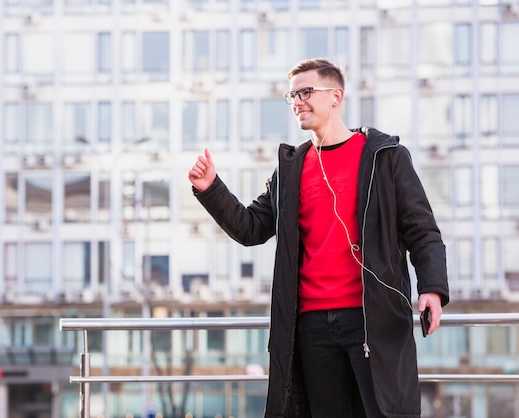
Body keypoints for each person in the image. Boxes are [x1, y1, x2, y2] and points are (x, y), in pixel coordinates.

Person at [187, 57, 450, 418]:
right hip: (311, 326)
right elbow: (251, 227)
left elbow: (422, 230)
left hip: (372, 319)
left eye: (306, 91)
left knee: (387, 411)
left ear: (335, 96)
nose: (297, 101)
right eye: (292, 95)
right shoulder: (292, 167)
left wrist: (432, 288)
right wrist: (211, 188)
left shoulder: (385, 157)